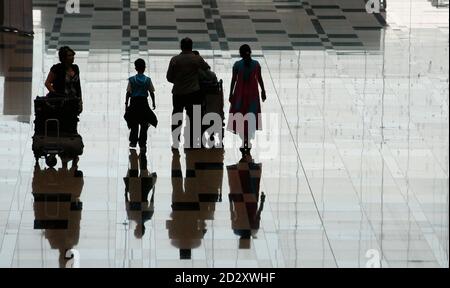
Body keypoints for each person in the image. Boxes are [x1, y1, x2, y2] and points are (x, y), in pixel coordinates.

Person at [167, 38, 210, 149]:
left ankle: (175, 141)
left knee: (177, 116)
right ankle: (192, 141)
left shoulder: (174, 60)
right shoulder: (197, 59)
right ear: (191, 46)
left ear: (181, 46)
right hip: (193, 93)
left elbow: (169, 77)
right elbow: (207, 69)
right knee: (194, 117)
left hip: (178, 93)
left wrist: (178, 81)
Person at [228, 44, 266, 157]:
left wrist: (231, 94)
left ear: (240, 53)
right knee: (251, 116)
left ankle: (244, 138)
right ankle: (247, 139)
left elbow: (233, 80)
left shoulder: (237, 65)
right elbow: (259, 79)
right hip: (253, 95)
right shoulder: (256, 64)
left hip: (240, 94)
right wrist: (263, 90)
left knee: (241, 116)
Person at [125, 58, 157, 151]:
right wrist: (153, 102)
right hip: (144, 103)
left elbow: (128, 93)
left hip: (134, 103)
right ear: (144, 68)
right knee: (144, 123)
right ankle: (142, 143)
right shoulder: (147, 80)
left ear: (135, 68)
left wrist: (126, 104)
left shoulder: (131, 80)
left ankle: (133, 141)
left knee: (134, 123)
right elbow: (151, 92)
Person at [44, 46, 82, 112]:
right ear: (63, 57)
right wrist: (55, 95)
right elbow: (47, 83)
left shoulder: (75, 68)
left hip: (73, 101)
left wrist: (80, 101)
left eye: (73, 55)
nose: (72, 57)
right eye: (70, 55)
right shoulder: (57, 68)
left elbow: (78, 86)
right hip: (61, 102)